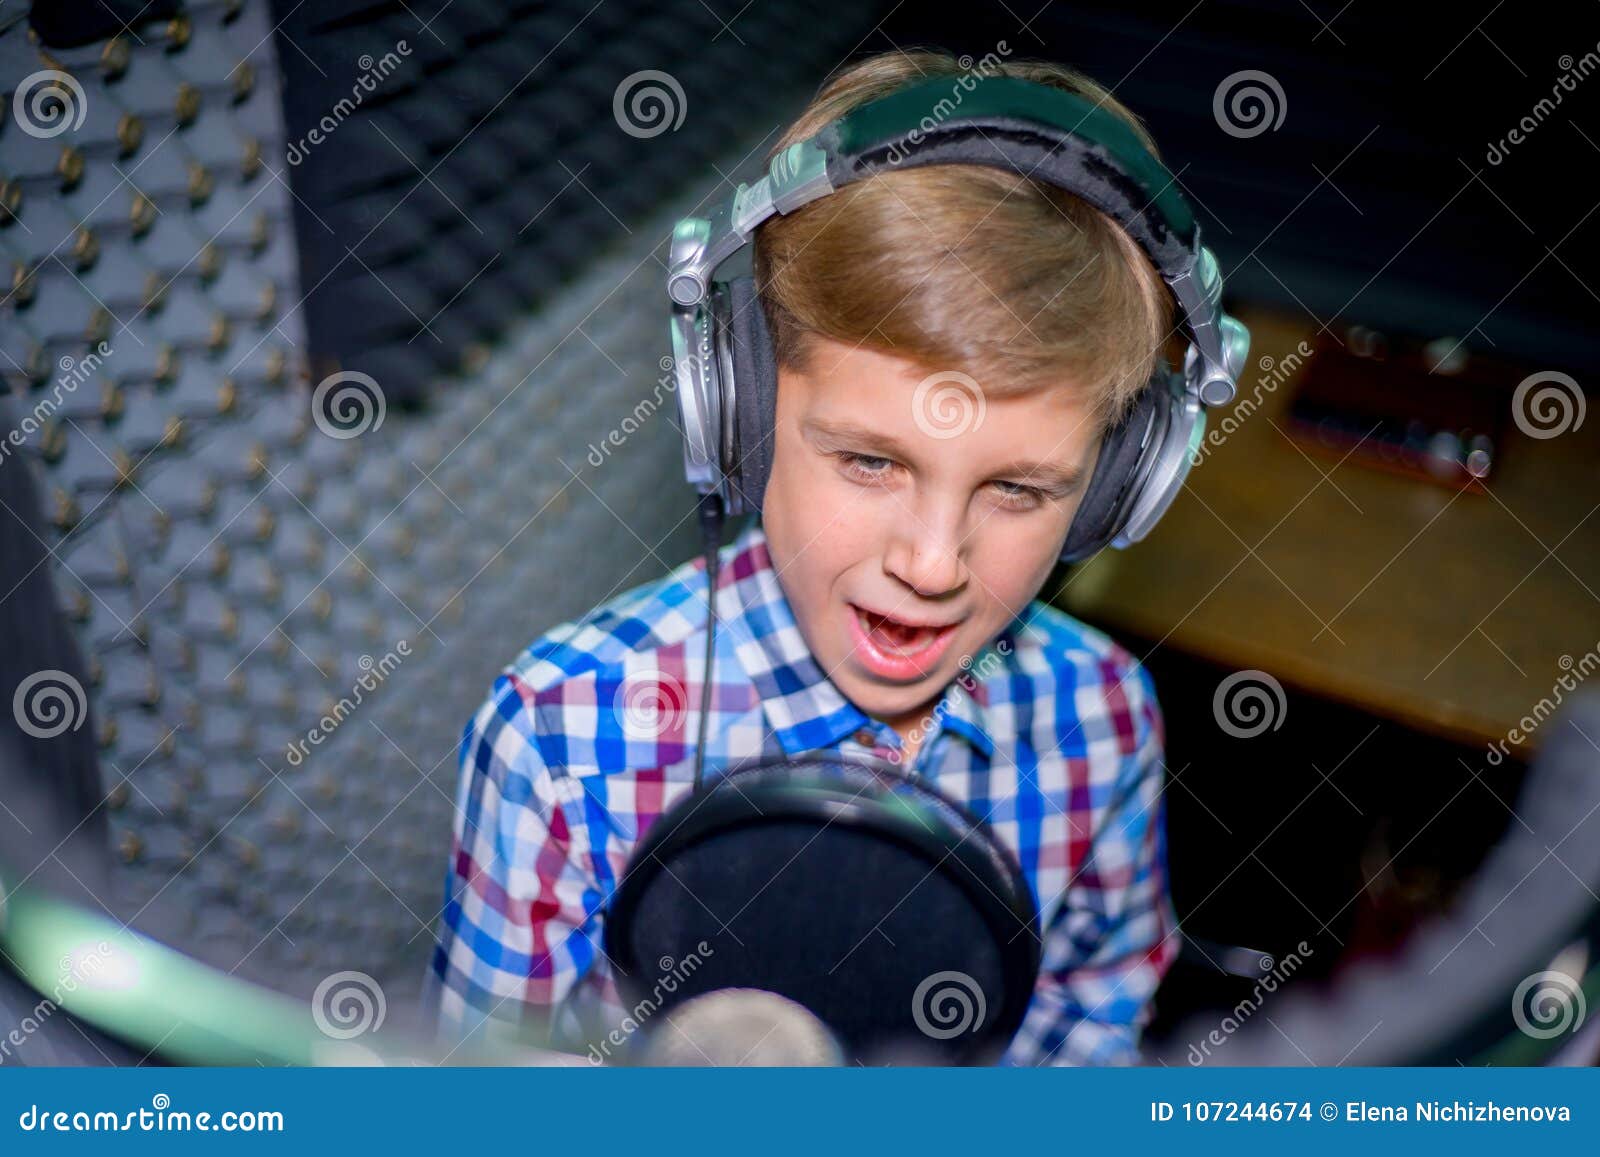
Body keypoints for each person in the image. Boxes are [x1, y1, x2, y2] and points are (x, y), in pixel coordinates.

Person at [427, 48, 1185, 1066]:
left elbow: (1087, 1033)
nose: (930, 562)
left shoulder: (1105, 716)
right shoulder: (557, 739)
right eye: (871, 461)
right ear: (735, 411)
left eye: (1016, 488)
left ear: (1114, 484)